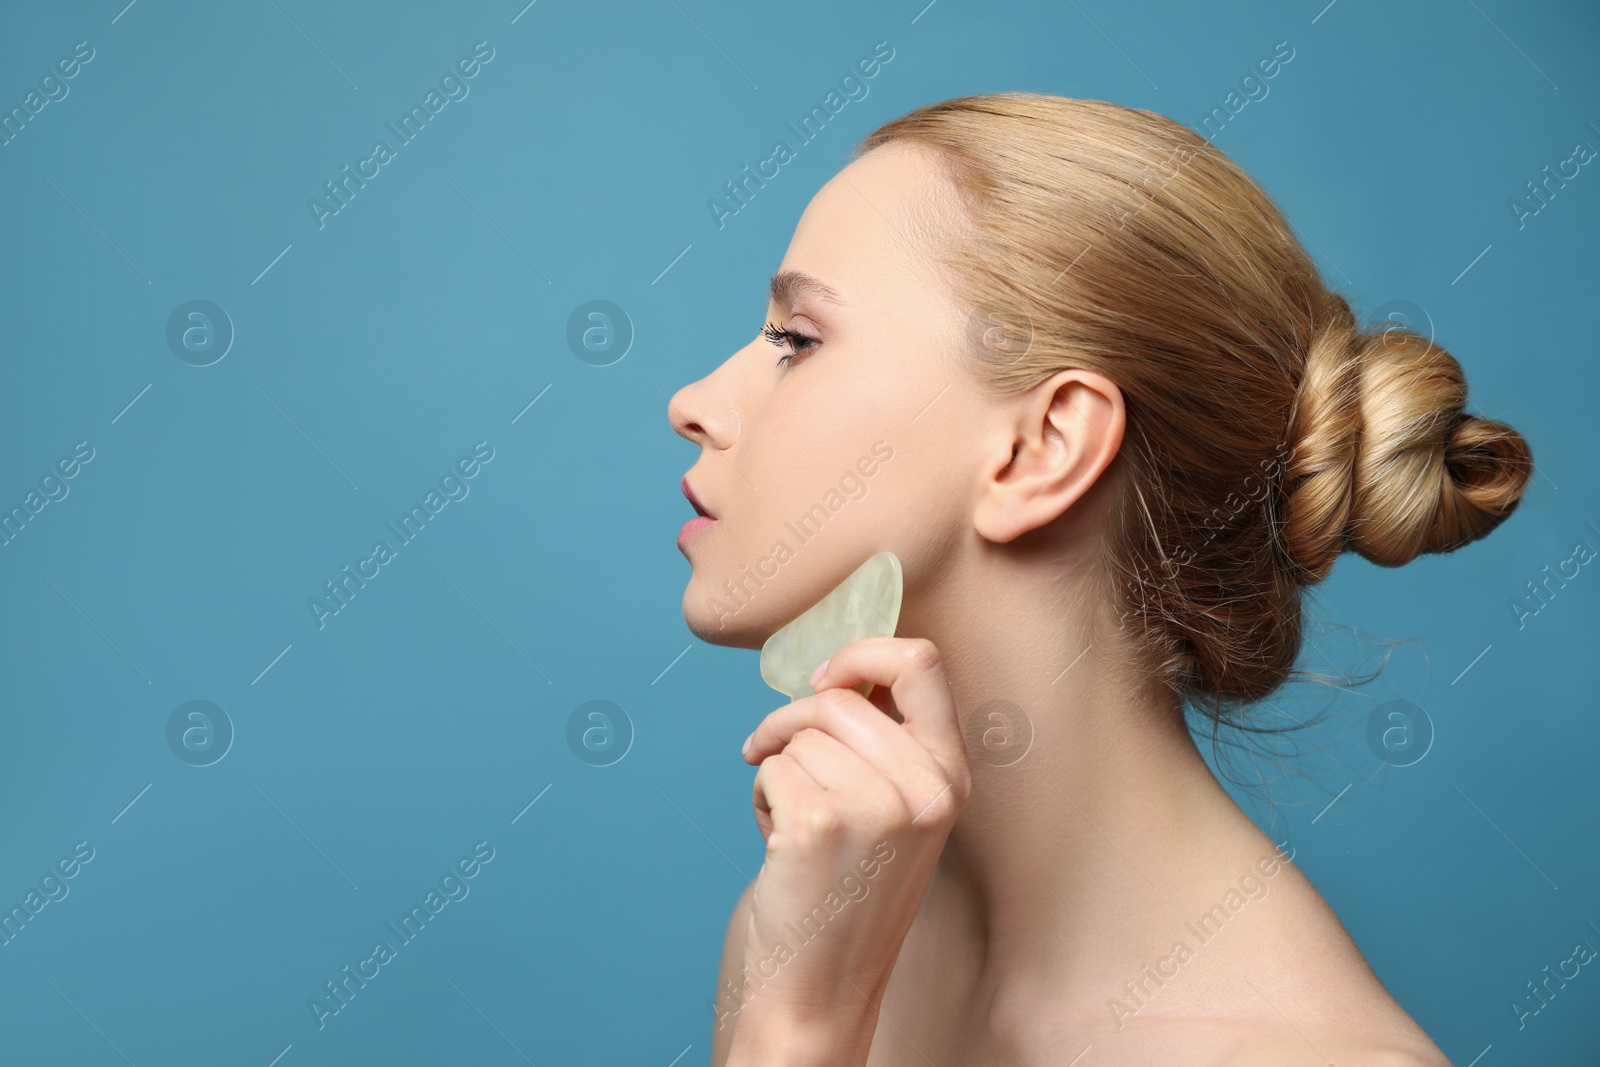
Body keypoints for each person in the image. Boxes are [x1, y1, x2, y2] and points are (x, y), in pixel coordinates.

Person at [667, 92, 1531, 1066]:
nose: (691, 402)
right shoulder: (813, 931)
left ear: (1042, 448)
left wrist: (799, 1036)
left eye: (797, 340)